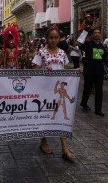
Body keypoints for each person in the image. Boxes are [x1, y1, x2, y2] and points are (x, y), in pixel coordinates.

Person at [32, 25, 75, 162]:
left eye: (56, 37)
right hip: (44, 91)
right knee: (45, 116)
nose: (53, 40)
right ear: (47, 38)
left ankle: (64, 148)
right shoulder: (41, 52)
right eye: (51, 37)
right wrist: (44, 71)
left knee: (61, 117)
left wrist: (75, 72)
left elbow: (66, 68)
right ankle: (43, 141)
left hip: (59, 92)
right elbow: (34, 71)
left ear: (59, 38)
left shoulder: (62, 53)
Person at [79, 27, 108, 116]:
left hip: (99, 72)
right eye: (95, 32)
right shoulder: (87, 44)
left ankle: (98, 110)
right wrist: (85, 30)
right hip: (89, 72)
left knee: (99, 90)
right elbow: (79, 42)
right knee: (87, 89)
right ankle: (83, 103)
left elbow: (106, 56)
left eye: (98, 32)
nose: (97, 34)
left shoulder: (102, 46)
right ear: (92, 35)